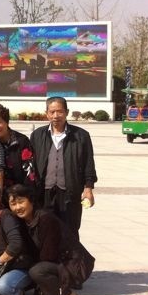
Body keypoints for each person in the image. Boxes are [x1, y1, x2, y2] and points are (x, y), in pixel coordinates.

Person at [9, 183, 89, 295]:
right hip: (56, 263)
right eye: (13, 204)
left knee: (37, 271)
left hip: (74, 264)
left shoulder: (46, 219)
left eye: (21, 202)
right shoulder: (23, 221)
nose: (17, 207)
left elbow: (48, 255)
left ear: (31, 201)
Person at [29, 96, 97, 232]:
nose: (56, 116)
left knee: (70, 231)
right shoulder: (37, 135)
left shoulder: (81, 136)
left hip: (70, 193)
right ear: (47, 113)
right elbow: (31, 165)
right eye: (52, 112)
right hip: (44, 193)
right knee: (45, 231)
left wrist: (88, 189)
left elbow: (88, 163)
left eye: (60, 111)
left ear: (67, 112)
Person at [0, 103, 37, 189]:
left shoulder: (21, 141)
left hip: (20, 192)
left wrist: (24, 193)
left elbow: (30, 171)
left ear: (6, 122)